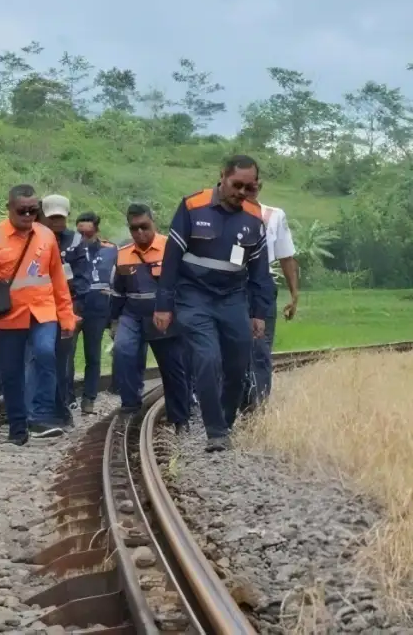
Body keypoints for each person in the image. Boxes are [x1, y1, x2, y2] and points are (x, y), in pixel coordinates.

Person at [154, 155, 272, 452]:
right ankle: (215, 431)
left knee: (237, 363)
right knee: (207, 359)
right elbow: (170, 259)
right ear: (222, 176)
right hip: (194, 296)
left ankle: (226, 420)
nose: (242, 193)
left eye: (250, 187)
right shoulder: (193, 206)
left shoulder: (255, 216)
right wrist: (164, 304)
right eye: (237, 185)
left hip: (233, 298)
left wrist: (259, 312)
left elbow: (259, 270)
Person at [0, 185, 76, 445]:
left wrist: (67, 315)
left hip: (43, 311)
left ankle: (41, 415)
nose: (27, 215)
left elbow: (59, 280)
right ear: (9, 209)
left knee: (45, 352)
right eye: (22, 211)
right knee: (11, 374)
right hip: (7, 317)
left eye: (32, 211)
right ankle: (18, 428)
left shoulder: (46, 236)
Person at [109, 203, 190, 431]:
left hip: (164, 314)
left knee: (172, 366)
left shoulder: (171, 249)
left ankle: (180, 418)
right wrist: (113, 321)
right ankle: (130, 405)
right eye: (134, 229)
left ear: (153, 222)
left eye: (144, 227)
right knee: (123, 351)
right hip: (132, 314)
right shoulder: (123, 255)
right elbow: (118, 292)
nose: (140, 233)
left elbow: (184, 284)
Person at [241, 180, 300, 411]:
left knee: (260, 347)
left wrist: (294, 294)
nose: (249, 189)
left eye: (253, 184)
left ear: (260, 186)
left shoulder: (274, 215)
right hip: (228, 285)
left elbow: (286, 257)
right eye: (243, 185)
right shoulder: (224, 214)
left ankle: (258, 405)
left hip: (262, 285)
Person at [38, 194, 87, 425]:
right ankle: (47, 405)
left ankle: (63, 403)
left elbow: (83, 278)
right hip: (41, 308)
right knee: (43, 358)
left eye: (60, 217)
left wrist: (70, 297)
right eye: (52, 217)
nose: (57, 222)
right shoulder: (36, 239)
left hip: (68, 306)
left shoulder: (76, 242)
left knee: (63, 358)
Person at [73, 211, 117, 414]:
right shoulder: (70, 248)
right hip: (73, 306)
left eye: (87, 232)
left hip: (98, 308)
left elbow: (118, 279)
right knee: (66, 355)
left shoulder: (110, 250)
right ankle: (67, 397)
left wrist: (114, 313)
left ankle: (89, 399)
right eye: (80, 231)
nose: (84, 236)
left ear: (96, 229)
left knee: (93, 355)